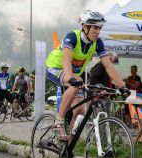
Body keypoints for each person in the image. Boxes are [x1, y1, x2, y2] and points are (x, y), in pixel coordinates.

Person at [46, 10, 127, 144]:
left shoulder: (97, 43)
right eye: (95, 27)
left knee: (79, 110)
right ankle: (58, 122)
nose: (98, 31)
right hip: (56, 67)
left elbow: (108, 65)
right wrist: (70, 76)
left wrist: (122, 85)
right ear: (85, 26)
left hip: (72, 74)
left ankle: (68, 148)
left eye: (99, 28)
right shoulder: (72, 36)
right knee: (77, 82)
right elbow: (66, 57)